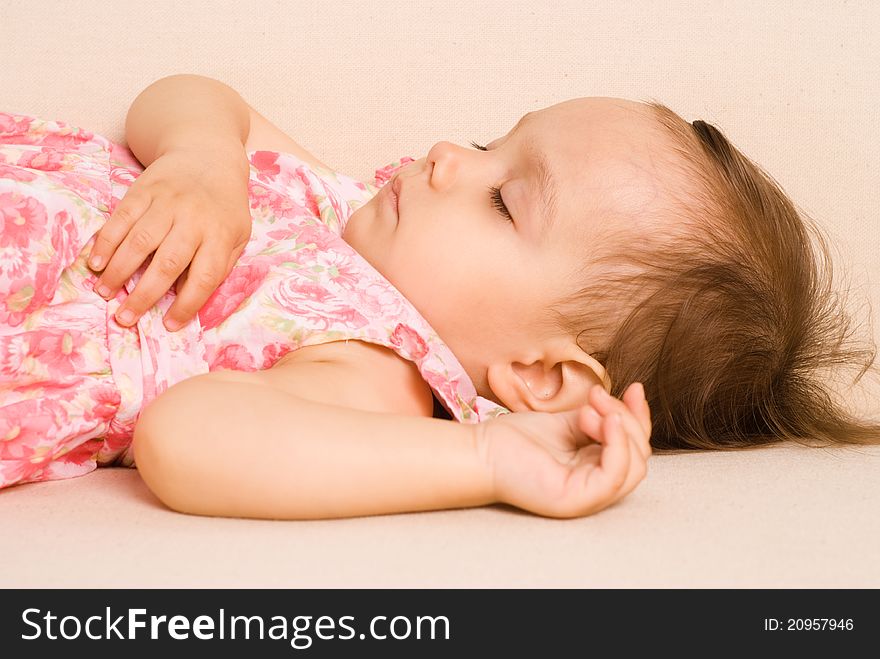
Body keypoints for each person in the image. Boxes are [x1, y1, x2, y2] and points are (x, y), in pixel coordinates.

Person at [0, 75, 876, 520]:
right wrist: (200, 159)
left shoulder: (373, 370)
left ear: (538, 374)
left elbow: (185, 439)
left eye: (502, 198)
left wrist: (488, 462)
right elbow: (194, 94)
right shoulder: (336, 204)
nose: (451, 155)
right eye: (494, 140)